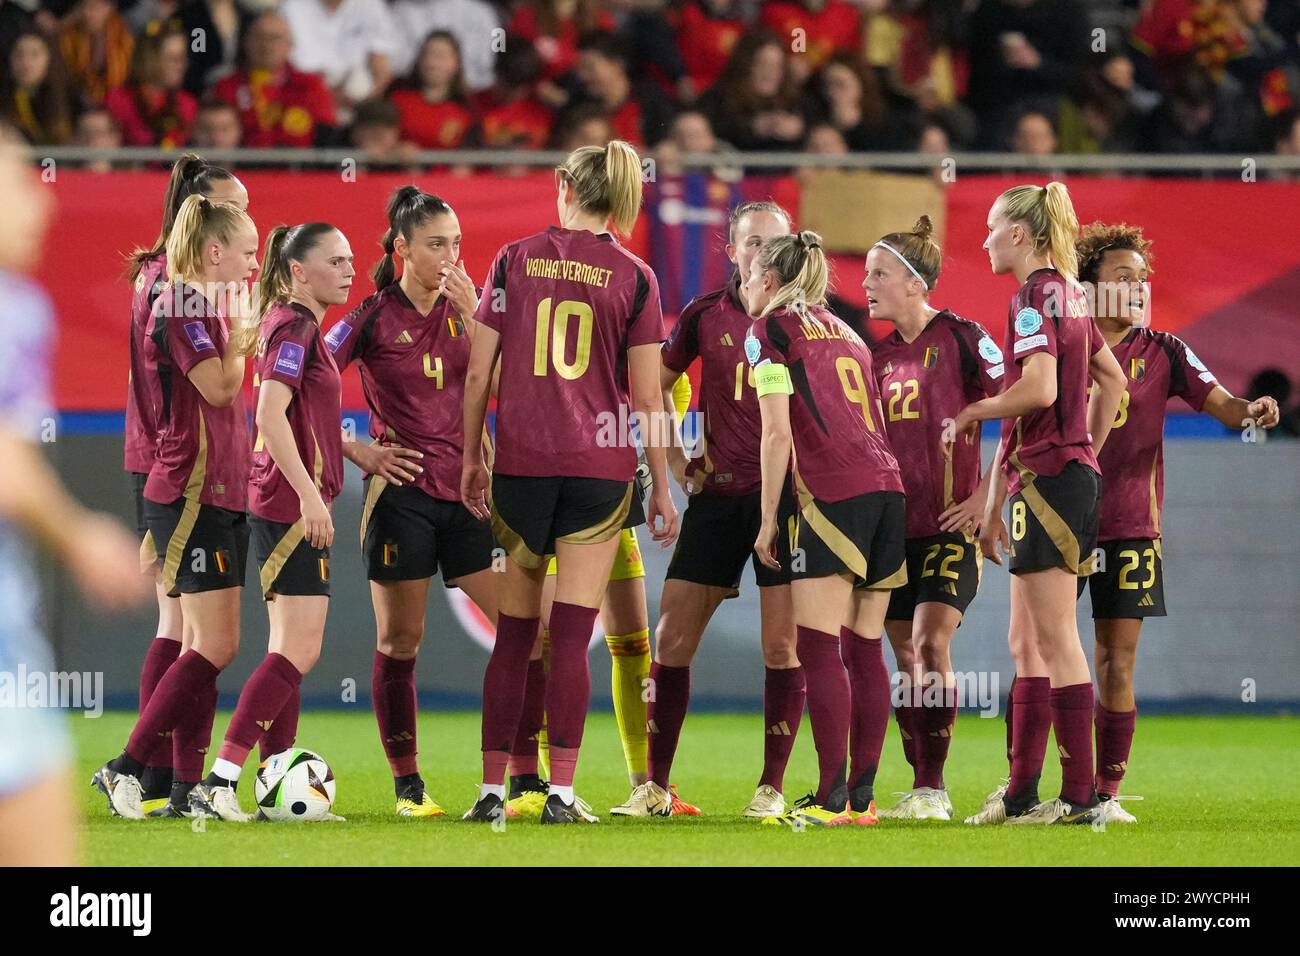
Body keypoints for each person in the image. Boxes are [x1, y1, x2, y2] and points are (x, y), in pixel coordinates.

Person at [461, 140, 678, 824]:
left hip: (522, 465)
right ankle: (560, 792)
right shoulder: (636, 275)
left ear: (564, 185)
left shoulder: (514, 259)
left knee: (518, 637)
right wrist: (665, 488)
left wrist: (472, 455)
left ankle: (494, 791)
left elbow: (476, 374)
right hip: (598, 471)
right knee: (577, 631)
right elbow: (649, 398)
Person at [1074, 221, 1280, 823]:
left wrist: (1253, 411)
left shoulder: (1163, 350)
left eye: (1144, 279)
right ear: (1089, 287)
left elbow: (1224, 407)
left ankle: (1106, 796)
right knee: (1043, 654)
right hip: (1060, 518)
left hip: (1132, 524)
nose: (1138, 289)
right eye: (1123, 278)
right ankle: (1034, 786)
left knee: (1116, 660)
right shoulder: (1062, 345)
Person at [611, 200, 802, 820]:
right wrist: (673, 463)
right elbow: (656, 384)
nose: (765, 257)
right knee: (671, 638)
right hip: (719, 495)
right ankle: (654, 788)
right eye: (754, 244)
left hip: (791, 501)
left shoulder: (815, 320)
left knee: (783, 647)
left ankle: (771, 788)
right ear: (730, 249)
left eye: (777, 245)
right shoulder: (705, 314)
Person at [954, 182, 1127, 826]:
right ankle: (1023, 792)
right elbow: (1110, 383)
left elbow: (1037, 388)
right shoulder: (1073, 295)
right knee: (1026, 640)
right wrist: (1086, 449)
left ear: (1020, 235)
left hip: (1052, 481)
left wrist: (976, 408)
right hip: (1056, 477)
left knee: (1053, 639)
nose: (986, 239)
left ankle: (1081, 798)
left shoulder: (1035, 295)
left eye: (993, 228)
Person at [0, 129, 149, 865]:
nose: (41, 202)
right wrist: (77, 533)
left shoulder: (22, 310)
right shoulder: (12, 311)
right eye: (19, 182)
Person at [325, 186, 498, 818]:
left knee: (524, 634)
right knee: (402, 641)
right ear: (402, 248)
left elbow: (505, 383)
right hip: (401, 500)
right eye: (436, 244)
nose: (451, 255)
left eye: (456, 243)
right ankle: (408, 786)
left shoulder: (472, 310)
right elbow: (298, 384)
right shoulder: (370, 317)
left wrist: (479, 313)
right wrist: (357, 450)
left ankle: (517, 783)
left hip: (471, 498)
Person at [93, 194, 259, 820]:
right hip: (190, 489)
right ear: (213, 251)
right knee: (214, 644)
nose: (251, 267)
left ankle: (187, 787)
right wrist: (247, 331)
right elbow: (218, 385)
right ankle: (127, 768)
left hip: (213, 487)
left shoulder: (198, 303)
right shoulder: (184, 304)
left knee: (202, 642)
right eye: (246, 253)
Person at [188, 222, 354, 822]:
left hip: (282, 497)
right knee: (300, 650)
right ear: (298, 272)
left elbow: (303, 414)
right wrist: (311, 497)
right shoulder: (296, 328)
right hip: (289, 504)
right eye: (335, 261)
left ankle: (271, 780)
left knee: (286, 647)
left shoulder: (296, 326)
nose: (349, 270)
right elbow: (271, 412)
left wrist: (358, 455)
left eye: (351, 259)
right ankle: (221, 779)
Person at [746, 231, 906, 828]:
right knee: (865, 646)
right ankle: (861, 798)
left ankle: (831, 794)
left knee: (818, 647)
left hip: (832, 492)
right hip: (887, 490)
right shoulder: (850, 333)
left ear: (767, 280)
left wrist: (768, 521)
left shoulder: (768, 333)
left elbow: (777, 433)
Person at [505, 371, 697, 819]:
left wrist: (646, 466)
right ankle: (551, 789)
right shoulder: (573, 352)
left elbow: (674, 384)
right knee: (550, 643)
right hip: (567, 508)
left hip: (613, 510)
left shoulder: (640, 351)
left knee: (634, 644)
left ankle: (646, 787)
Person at [867, 216, 1002, 821]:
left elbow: (1026, 405)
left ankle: (934, 785)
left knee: (929, 641)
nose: (866, 283)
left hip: (951, 527)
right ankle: (922, 788)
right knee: (903, 658)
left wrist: (986, 500)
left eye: (879, 273)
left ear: (916, 283)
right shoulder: (874, 357)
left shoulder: (965, 337)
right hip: (894, 530)